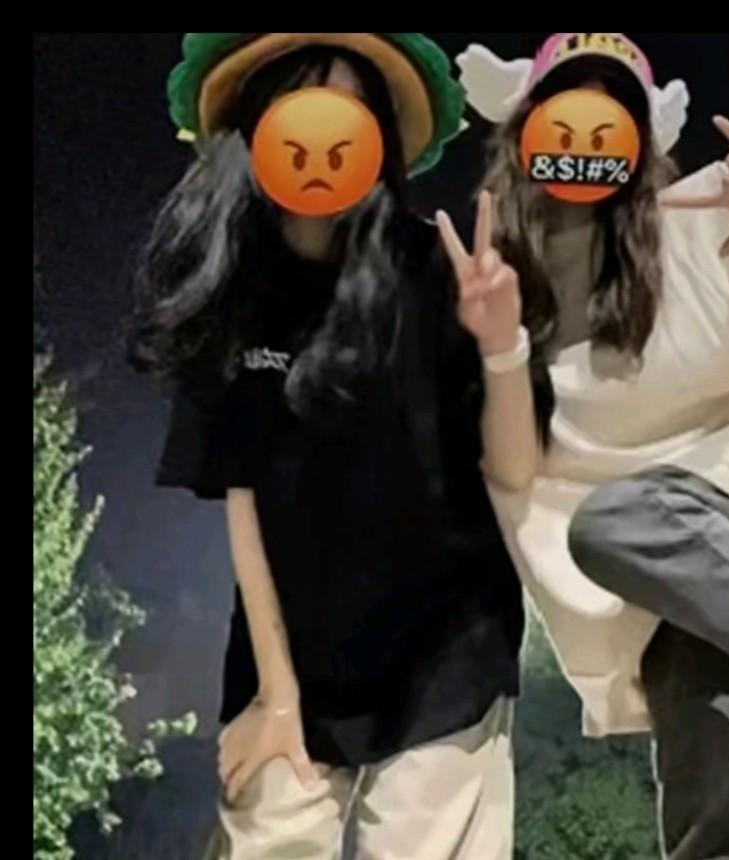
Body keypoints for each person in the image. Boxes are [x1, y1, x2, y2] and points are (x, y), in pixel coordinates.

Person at [130, 32, 547, 860]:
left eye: (352, 108)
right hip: (290, 655)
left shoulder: (439, 270)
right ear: (258, 129)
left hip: (446, 654)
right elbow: (243, 498)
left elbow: (515, 469)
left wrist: (502, 345)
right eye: (301, 100)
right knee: (268, 833)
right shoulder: (229, 286)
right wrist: (277, 696)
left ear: (379, 139)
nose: (325, 130)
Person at [451, 31, 729, 859]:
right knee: (634, 549)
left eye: (613, 113)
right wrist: (499, 346)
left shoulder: (704, 213)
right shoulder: (504, 284)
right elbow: (516, 471)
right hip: (659, 565)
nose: (586, 137)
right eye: (566, 109)